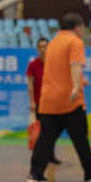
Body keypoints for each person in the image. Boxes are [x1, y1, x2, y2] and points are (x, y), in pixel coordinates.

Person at [27, 13, 91, 182]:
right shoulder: (75, 42)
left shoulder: (53, 44)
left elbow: (59, 71)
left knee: (45, 139)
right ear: (77, 27)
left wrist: (80, 81)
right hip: (69, 102)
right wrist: (75, 87)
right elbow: (75, 65)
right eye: (82, 28)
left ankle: (35, 174)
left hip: (49, 101)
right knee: (81, 139)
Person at [25, 37, 60, 165]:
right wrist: (32, 102)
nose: (43, 49)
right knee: (41, 132)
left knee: (52, 131)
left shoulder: (54, 64)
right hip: (40, 103)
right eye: (41, 46)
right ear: (37, 48)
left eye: (45, 46)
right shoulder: (33, 65)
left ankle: (51, 156)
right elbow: (30, 84)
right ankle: (40, 160)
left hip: (52, 103)